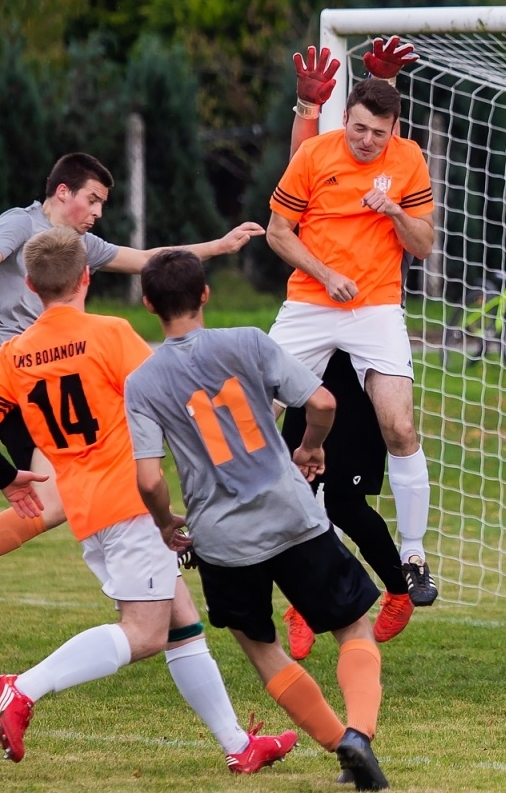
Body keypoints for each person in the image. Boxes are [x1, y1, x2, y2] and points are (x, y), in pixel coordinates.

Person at [0, 227, 295, 772]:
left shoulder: (15, 353)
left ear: (30, 285)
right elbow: (171, 392)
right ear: (87, 276)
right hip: (130, 501)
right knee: (144, 634)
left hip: (89, 509)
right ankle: (22, 688)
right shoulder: (109, 334)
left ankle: (238, 745)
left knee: (182, 626)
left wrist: (7, 476)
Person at [0, 152, 264, 623]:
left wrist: (218, 247)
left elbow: (146, 260)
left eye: (102, 203)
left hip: (61, 371)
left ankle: (166, 541)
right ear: (63, 192)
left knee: (118, 447)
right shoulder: (21, 224)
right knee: (58, 498)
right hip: (12, 378)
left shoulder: (79, 246)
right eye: (92, 200)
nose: (98, 212)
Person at [126, 248, 390, 791]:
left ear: (149, 303)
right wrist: (311, 448)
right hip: (291, 513)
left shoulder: (144, 380)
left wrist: (164, 521)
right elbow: (321, 401)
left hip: (221, 537)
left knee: (260, 645)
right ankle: (359, 734)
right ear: (205, 294)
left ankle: (338, 742)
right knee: (352, 626)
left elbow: (149, 479)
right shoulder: (247, 340)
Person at [266, 44, 440, 610]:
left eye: (378, 133)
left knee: (400, 428)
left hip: (376, 309)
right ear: (346, 120)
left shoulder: (409, 160)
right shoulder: (315, 153)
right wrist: (326, 273)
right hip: (311, 305)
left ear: (394, 130)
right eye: (359, 129)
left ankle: (413, 556)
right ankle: (218, 524)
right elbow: (278, 232)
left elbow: (424, 245)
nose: (367, 141)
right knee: (256, 416)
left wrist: (393, 212)